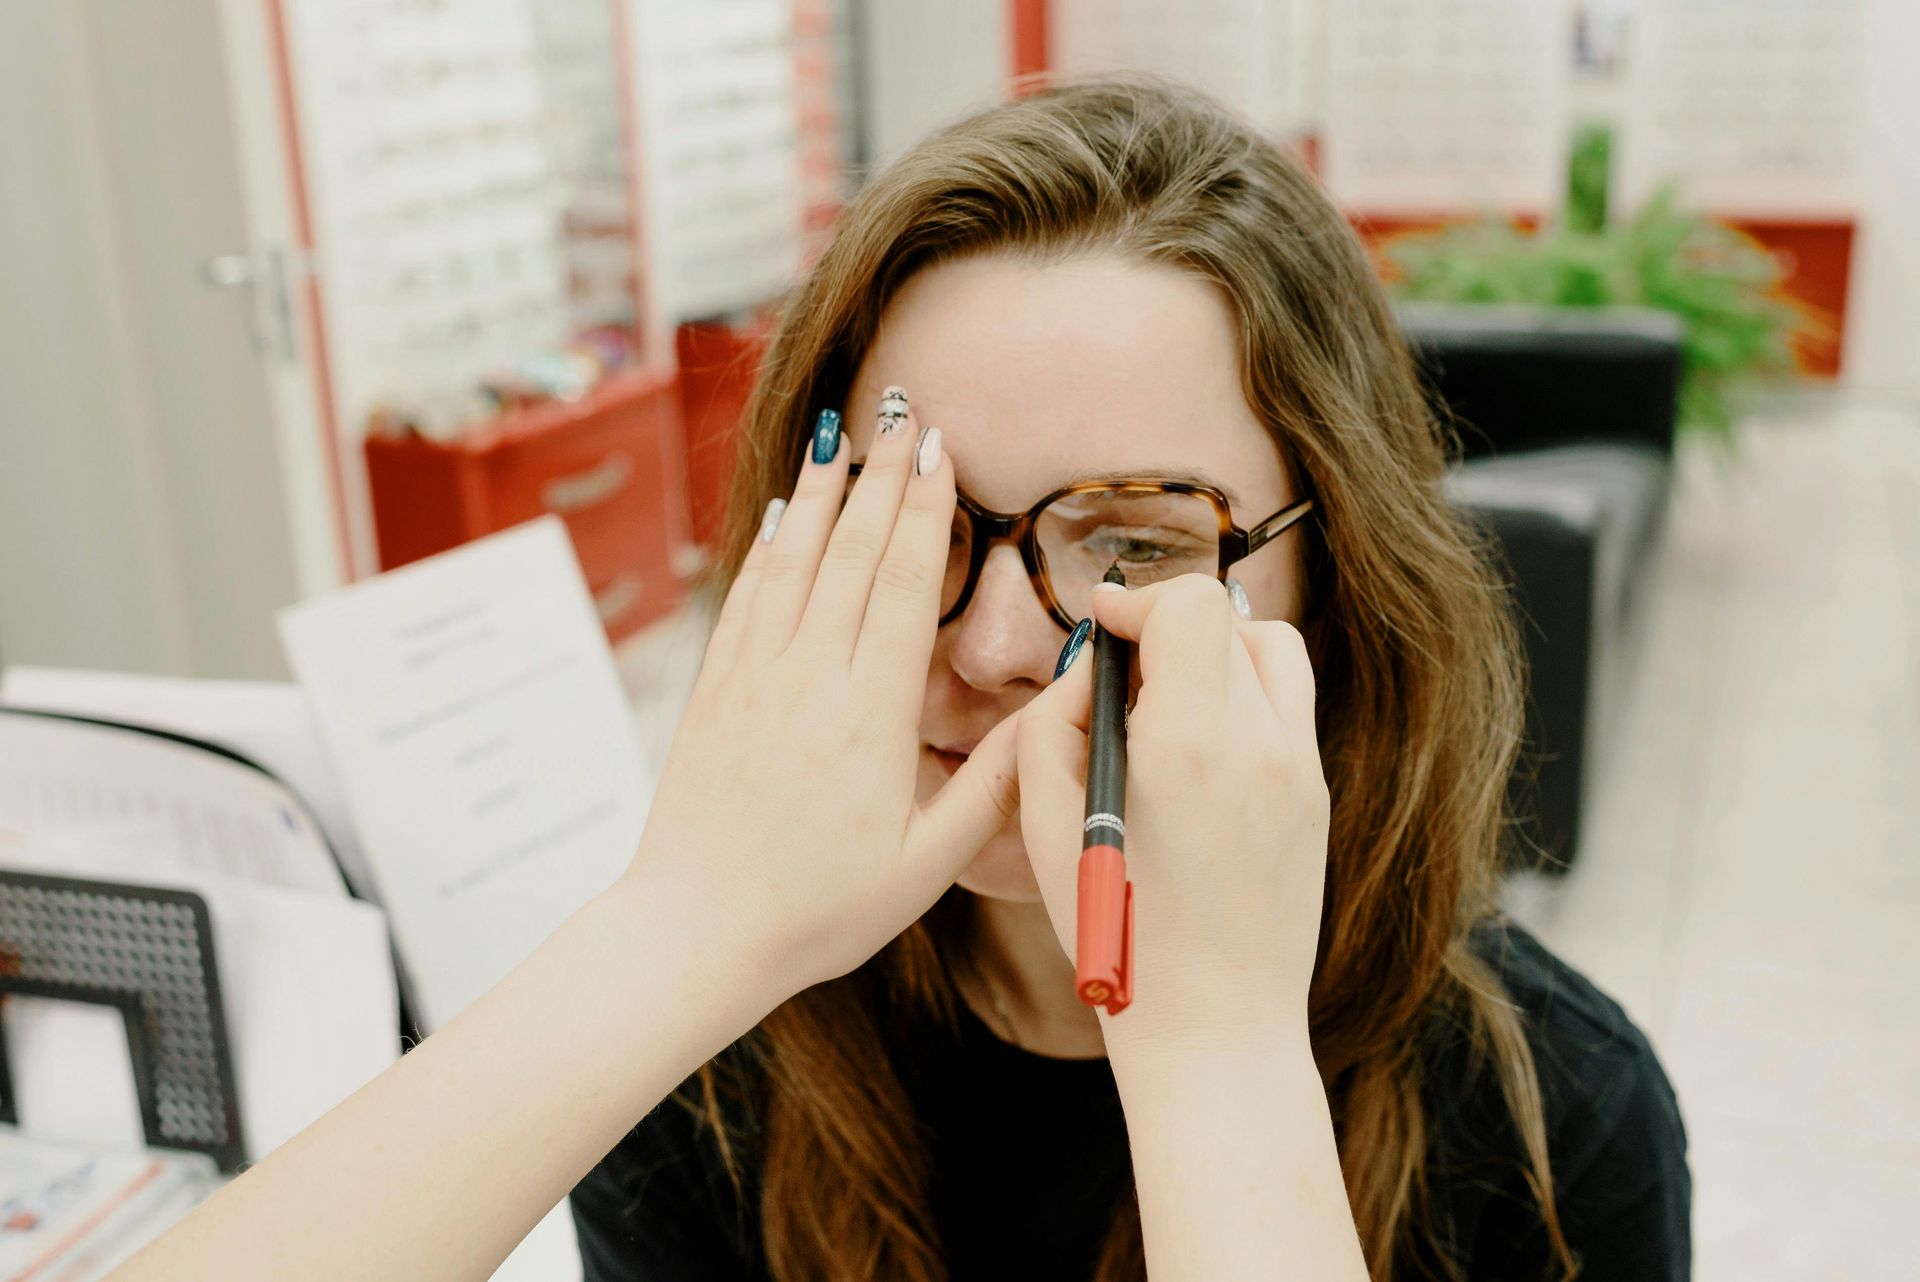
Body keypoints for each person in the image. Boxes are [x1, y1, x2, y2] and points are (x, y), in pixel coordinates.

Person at [112, 75, 1685, 1282]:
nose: (998, 645)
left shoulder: (1559, 1116)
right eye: (910, 518)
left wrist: (1213, 1049)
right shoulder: (720, 1065)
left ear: (1330, 580)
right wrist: (683, 931)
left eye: (1134, 541)